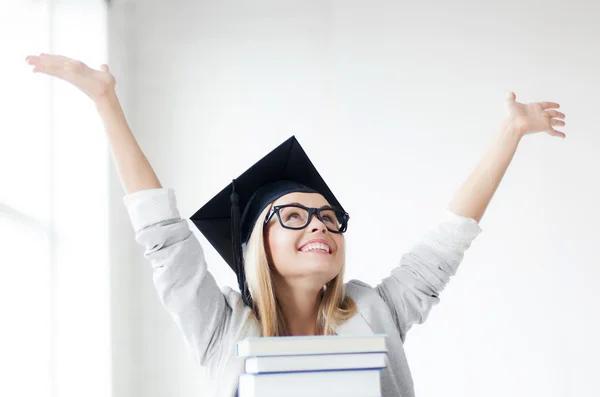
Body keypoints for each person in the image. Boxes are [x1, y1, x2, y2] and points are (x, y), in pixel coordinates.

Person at [25, 53, 567, 397]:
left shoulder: (375, 313)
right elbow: (163, 237)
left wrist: (509, 135)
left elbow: (444, 245)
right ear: (257, 244)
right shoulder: (222, 327)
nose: (320, 226)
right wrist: (105, 100)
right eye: (295, 216)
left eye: (329, 218)